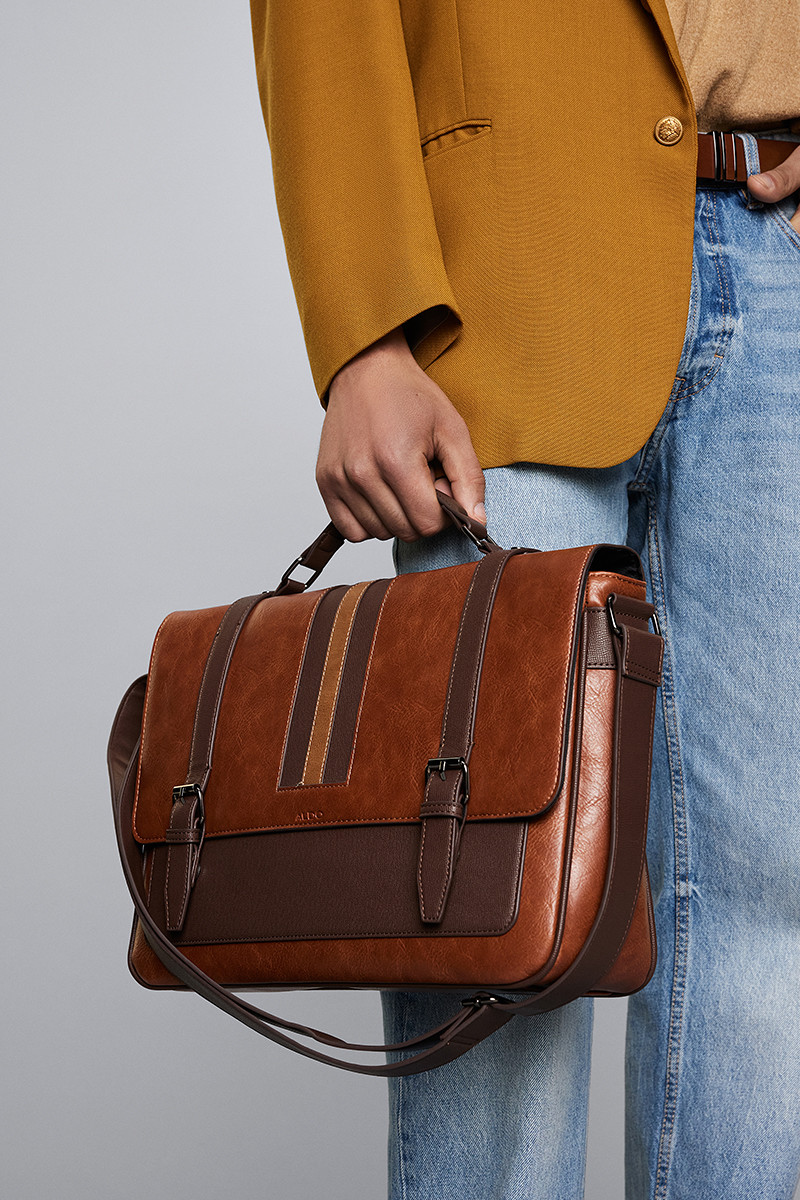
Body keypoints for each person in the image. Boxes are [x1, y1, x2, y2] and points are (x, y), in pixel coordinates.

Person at [249, 2, 800, 1196]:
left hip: (780, 257)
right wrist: (364, 336)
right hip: (500, 277)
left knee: (772, 914)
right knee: (492, 902)